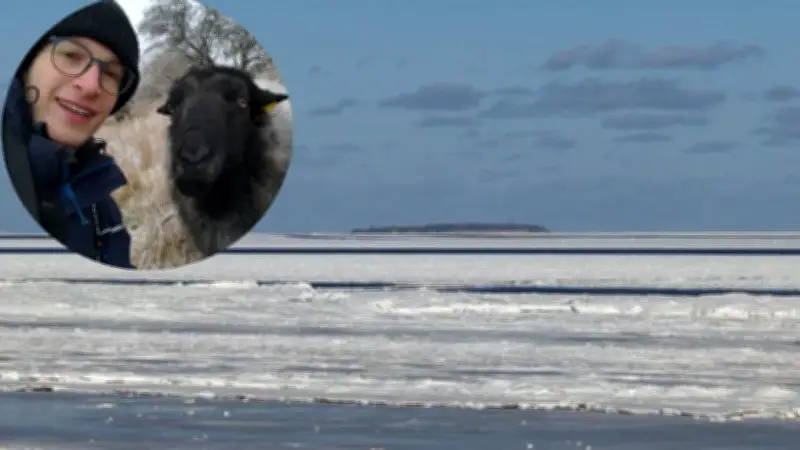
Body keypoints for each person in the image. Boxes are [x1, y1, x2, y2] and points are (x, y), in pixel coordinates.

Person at [1, 0, 141, 269]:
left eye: (111, 74)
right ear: (26, 64)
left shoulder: (103, 214)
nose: (90, 86)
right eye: (71, 56)